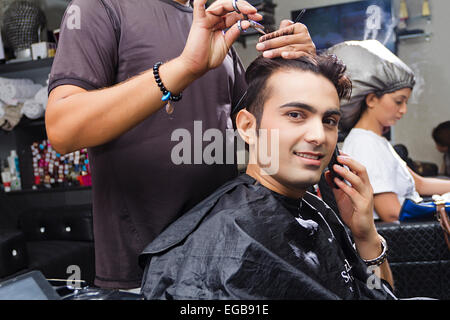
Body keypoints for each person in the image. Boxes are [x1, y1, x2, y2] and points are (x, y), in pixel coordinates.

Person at [45, 0, 316, 289]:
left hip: (219, 264)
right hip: (142, 274)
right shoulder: (100, 7)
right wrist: (184, 68)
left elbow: (262, 131)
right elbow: (63, 129)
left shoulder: (213, 24)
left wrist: (301, 65)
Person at [139, 54, 397, 300]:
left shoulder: (319, 212)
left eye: (329, 120)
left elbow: (380, 293)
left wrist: (367, 237)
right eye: (296, 115)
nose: (319, 136)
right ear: (248, 127)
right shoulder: (227, 242)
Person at [328, 40, 450, 222]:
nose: (403, 110)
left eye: (405, 103)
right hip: (403, 240)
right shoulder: (365, 144)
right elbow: (391, 213)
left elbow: (420, 184)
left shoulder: (377, 141)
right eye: (398, 101)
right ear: (371, 100)